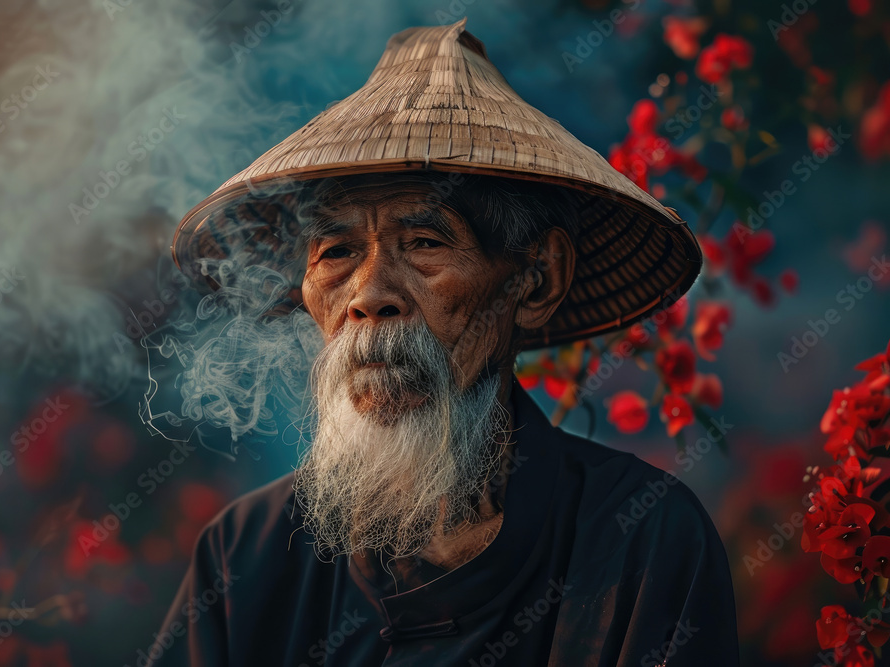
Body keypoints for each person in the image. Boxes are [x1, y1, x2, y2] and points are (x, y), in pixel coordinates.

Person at [148, 17, 738, 667]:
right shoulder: (247, 555)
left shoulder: (640, 540)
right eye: (337, 252)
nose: (370, 294)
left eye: (425, 243)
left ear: (538, 279)